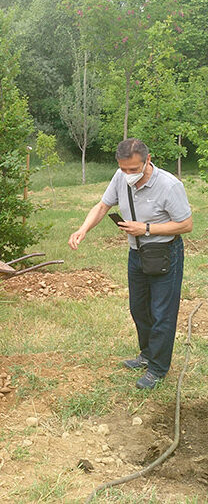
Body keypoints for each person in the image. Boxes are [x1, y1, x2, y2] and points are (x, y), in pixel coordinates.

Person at [68, 139, 192, 389]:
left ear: (148, 160)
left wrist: (145, 228)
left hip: (165, 253)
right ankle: (146, 354)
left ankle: (158, 369)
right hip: (136, 254)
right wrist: (83, 229)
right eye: (123, 169)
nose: (127, 175)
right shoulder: (120, 176)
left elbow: (186, 224)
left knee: (162, 313)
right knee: (139, 309)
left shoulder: (169, 186)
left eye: (133, 169)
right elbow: (103, 206)